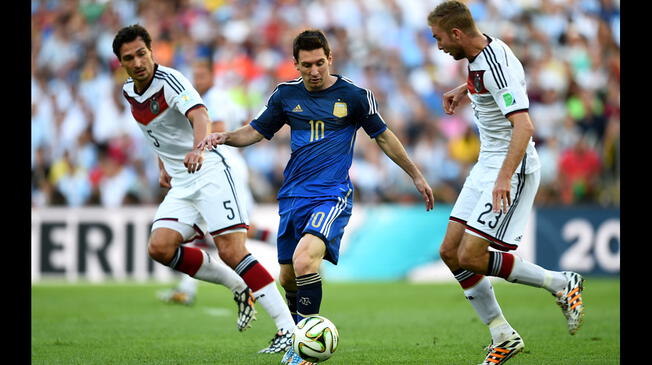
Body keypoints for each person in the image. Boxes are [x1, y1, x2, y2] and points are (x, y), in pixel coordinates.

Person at [198, 29, 434, 365]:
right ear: (295, 64)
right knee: (288, 276)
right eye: (306, 64)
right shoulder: (285, 96)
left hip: (331, 195)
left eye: (320, 63)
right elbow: (255, 131)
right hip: (293, 195)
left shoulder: (355, 96)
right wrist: (225, 137)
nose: (314, 70)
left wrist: (415, 174)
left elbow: (384, 137)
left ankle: (303, 350)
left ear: (330, 59)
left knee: (305, 260)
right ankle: (296, 335)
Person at [112, 24, 295, 354]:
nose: (138, 62)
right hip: (182, 181)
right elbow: (157, 132)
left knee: (232, 250)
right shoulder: (129, 91)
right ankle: (236, 285)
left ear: (152, 51)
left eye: (142, 53)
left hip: (209, 170)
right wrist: (162, 165)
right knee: (160, 247)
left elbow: (200, 115)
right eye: (129, 58)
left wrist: (198, 148)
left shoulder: (171, 81)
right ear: (121, 63)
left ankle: (288, 330)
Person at [427, 2, 585, 364]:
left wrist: (502, 180)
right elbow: (493, 79)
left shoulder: (493, 62)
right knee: (451, 252)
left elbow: (525, 126)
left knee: (472, 255)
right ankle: (502, 334)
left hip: (512, 166)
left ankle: (561, 284)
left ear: (456, 33)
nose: (437, 47)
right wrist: (464, 89)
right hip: (488, 163)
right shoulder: (482, 52)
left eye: (438, 38)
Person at [157, 59, 277, 306]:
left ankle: (287, 244)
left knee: (235, 233)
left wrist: (187, 138)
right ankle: (187, 288)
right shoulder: (203, 98)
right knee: (214, 230)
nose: (197, 80)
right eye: (195, 75)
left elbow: (218, 128)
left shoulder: (216, 98)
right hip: (210, 168)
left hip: (224, 166)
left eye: (202, 75)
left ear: (212, 75)